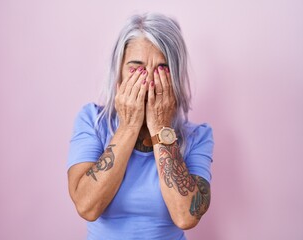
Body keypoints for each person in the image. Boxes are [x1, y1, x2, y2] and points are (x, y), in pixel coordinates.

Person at [67, 12, 214, 240]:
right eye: (137, 68)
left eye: (161, 70)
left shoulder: (197, 136)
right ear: (118, 74)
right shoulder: (92, 121)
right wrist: (128, 125)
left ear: (174, 77)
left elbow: (186, 216)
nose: (149, 82)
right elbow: (87, 207)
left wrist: (160, 127)